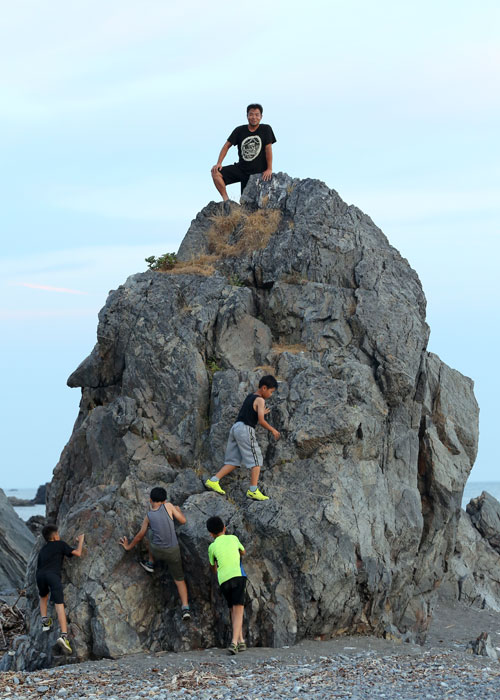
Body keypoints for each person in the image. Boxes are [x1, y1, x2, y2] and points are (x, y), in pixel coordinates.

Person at [119, 487, 191, 620]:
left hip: (157, 550)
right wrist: (178, 510)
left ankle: (151, 563)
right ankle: (185, 608)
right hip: (173, 551)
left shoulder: (148, 516)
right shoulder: (168, 506)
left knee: (150, 532)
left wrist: (128, 546)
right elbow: (183, 521)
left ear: (150, 500)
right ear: (164, 500)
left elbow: (140, 536)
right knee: (179, 580)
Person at [205, 374, 280, 501]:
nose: (271, 395)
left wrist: (262, 411)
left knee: (233, 461)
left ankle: (213, 480)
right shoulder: (261, 400)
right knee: (256, 460)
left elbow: (252, 411)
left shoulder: (251, 396)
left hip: (236, 428)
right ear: (264, 388)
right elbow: (261, 421)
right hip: (246, 429)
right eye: (271, 392)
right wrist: (273, 429)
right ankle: (253, 490)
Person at [211, 103, 276, 204]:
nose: (254, 117)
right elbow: (226, 146)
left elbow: (268, 149)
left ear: (261, 117)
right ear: (247, 116)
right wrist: (219, 163)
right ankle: (226, 201)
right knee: (215, 173)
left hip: (257, 173)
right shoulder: (239, 130)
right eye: (251, 114)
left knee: (246, 205)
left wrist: (269, 169)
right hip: (241, 169)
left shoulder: (266, 129)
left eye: (257, 115)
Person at [36, 524, 85, 655]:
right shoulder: (60, 544)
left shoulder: (43, 550)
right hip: (53, 575)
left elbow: (39, 566)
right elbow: (78, 553)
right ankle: (64, 636)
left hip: (40, 575)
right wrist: (80, 541)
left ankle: (45, 621)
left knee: (43, 596)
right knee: (59, 604)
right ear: (55, 536)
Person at [206, 516, 247, 655]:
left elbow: (213, 565)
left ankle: (241, 641)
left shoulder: (212, 547)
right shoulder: (233, 538)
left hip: (223, 580)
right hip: (237, 575)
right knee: (239, 610)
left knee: (232, 609)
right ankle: (234, 643)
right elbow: (243, 551)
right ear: (224, 528)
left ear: (210, 533)